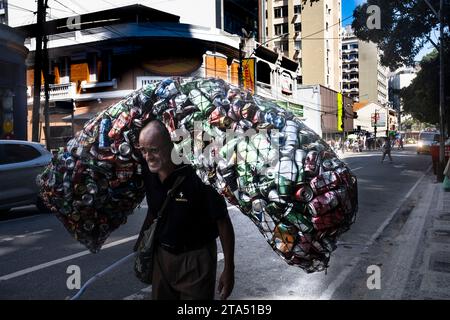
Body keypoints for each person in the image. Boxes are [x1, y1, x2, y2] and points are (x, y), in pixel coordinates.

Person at [135, 120, 235, 300]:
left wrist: (229, 269)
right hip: (162, 257)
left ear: (170, 146)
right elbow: (154, 210)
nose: (148, 156)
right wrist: (142, 239)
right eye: (143, 150)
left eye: (153, 150)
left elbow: (223, 222)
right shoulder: (148, 173)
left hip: (196, 261)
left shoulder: (199, 175)